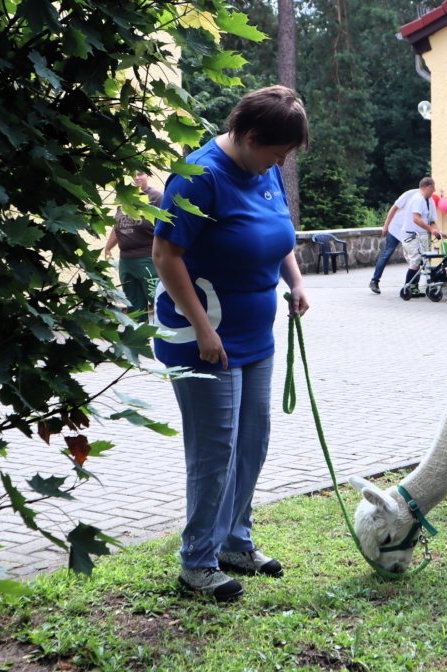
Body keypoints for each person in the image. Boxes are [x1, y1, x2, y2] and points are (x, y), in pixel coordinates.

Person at [152, 86, 310, 601]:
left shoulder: (265, 171)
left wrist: (295, 281)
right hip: (202, 339)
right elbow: (165, 254)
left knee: (251, 444)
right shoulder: (199, 177)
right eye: (277, 152)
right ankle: (197, 563)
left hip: (256, 337)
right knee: (214, 452)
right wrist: (202, 328)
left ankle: (236, 543)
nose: (281, 163)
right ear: (248, 136)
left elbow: (277, 234)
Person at [103, 169, 162, 322]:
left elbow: (166, 227)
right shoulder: (124, 199)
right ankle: (139, 335)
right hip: (126, 262)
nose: (136, 178)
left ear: (147, 175)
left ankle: (171, 335)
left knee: (159, 302)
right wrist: (108, 248)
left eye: (140, 174)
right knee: (134, 308)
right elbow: (118, 225)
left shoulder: (156, 198)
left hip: (147, 260)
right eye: (132, 175)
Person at [369, 186, 418, 294]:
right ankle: (374, 281)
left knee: (416, 257)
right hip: (396, 229)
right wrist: (386, 225)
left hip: (410, 232)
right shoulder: (409, 194)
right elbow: (394, 208)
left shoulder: (427, 200)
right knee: (387, 253)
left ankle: (414, 286)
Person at [401, 177, 440, 294]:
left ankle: (414, 288)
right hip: (413, 235)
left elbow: (431, 221)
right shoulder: (418, 199)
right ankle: (407, 287)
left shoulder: (429, 201)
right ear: (429, 187)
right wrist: (431, 230)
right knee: (415, 262)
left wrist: (439, 233)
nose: (433, 191)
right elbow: (416, 219)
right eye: (433, 189)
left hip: (422, 235)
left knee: (422, 262)